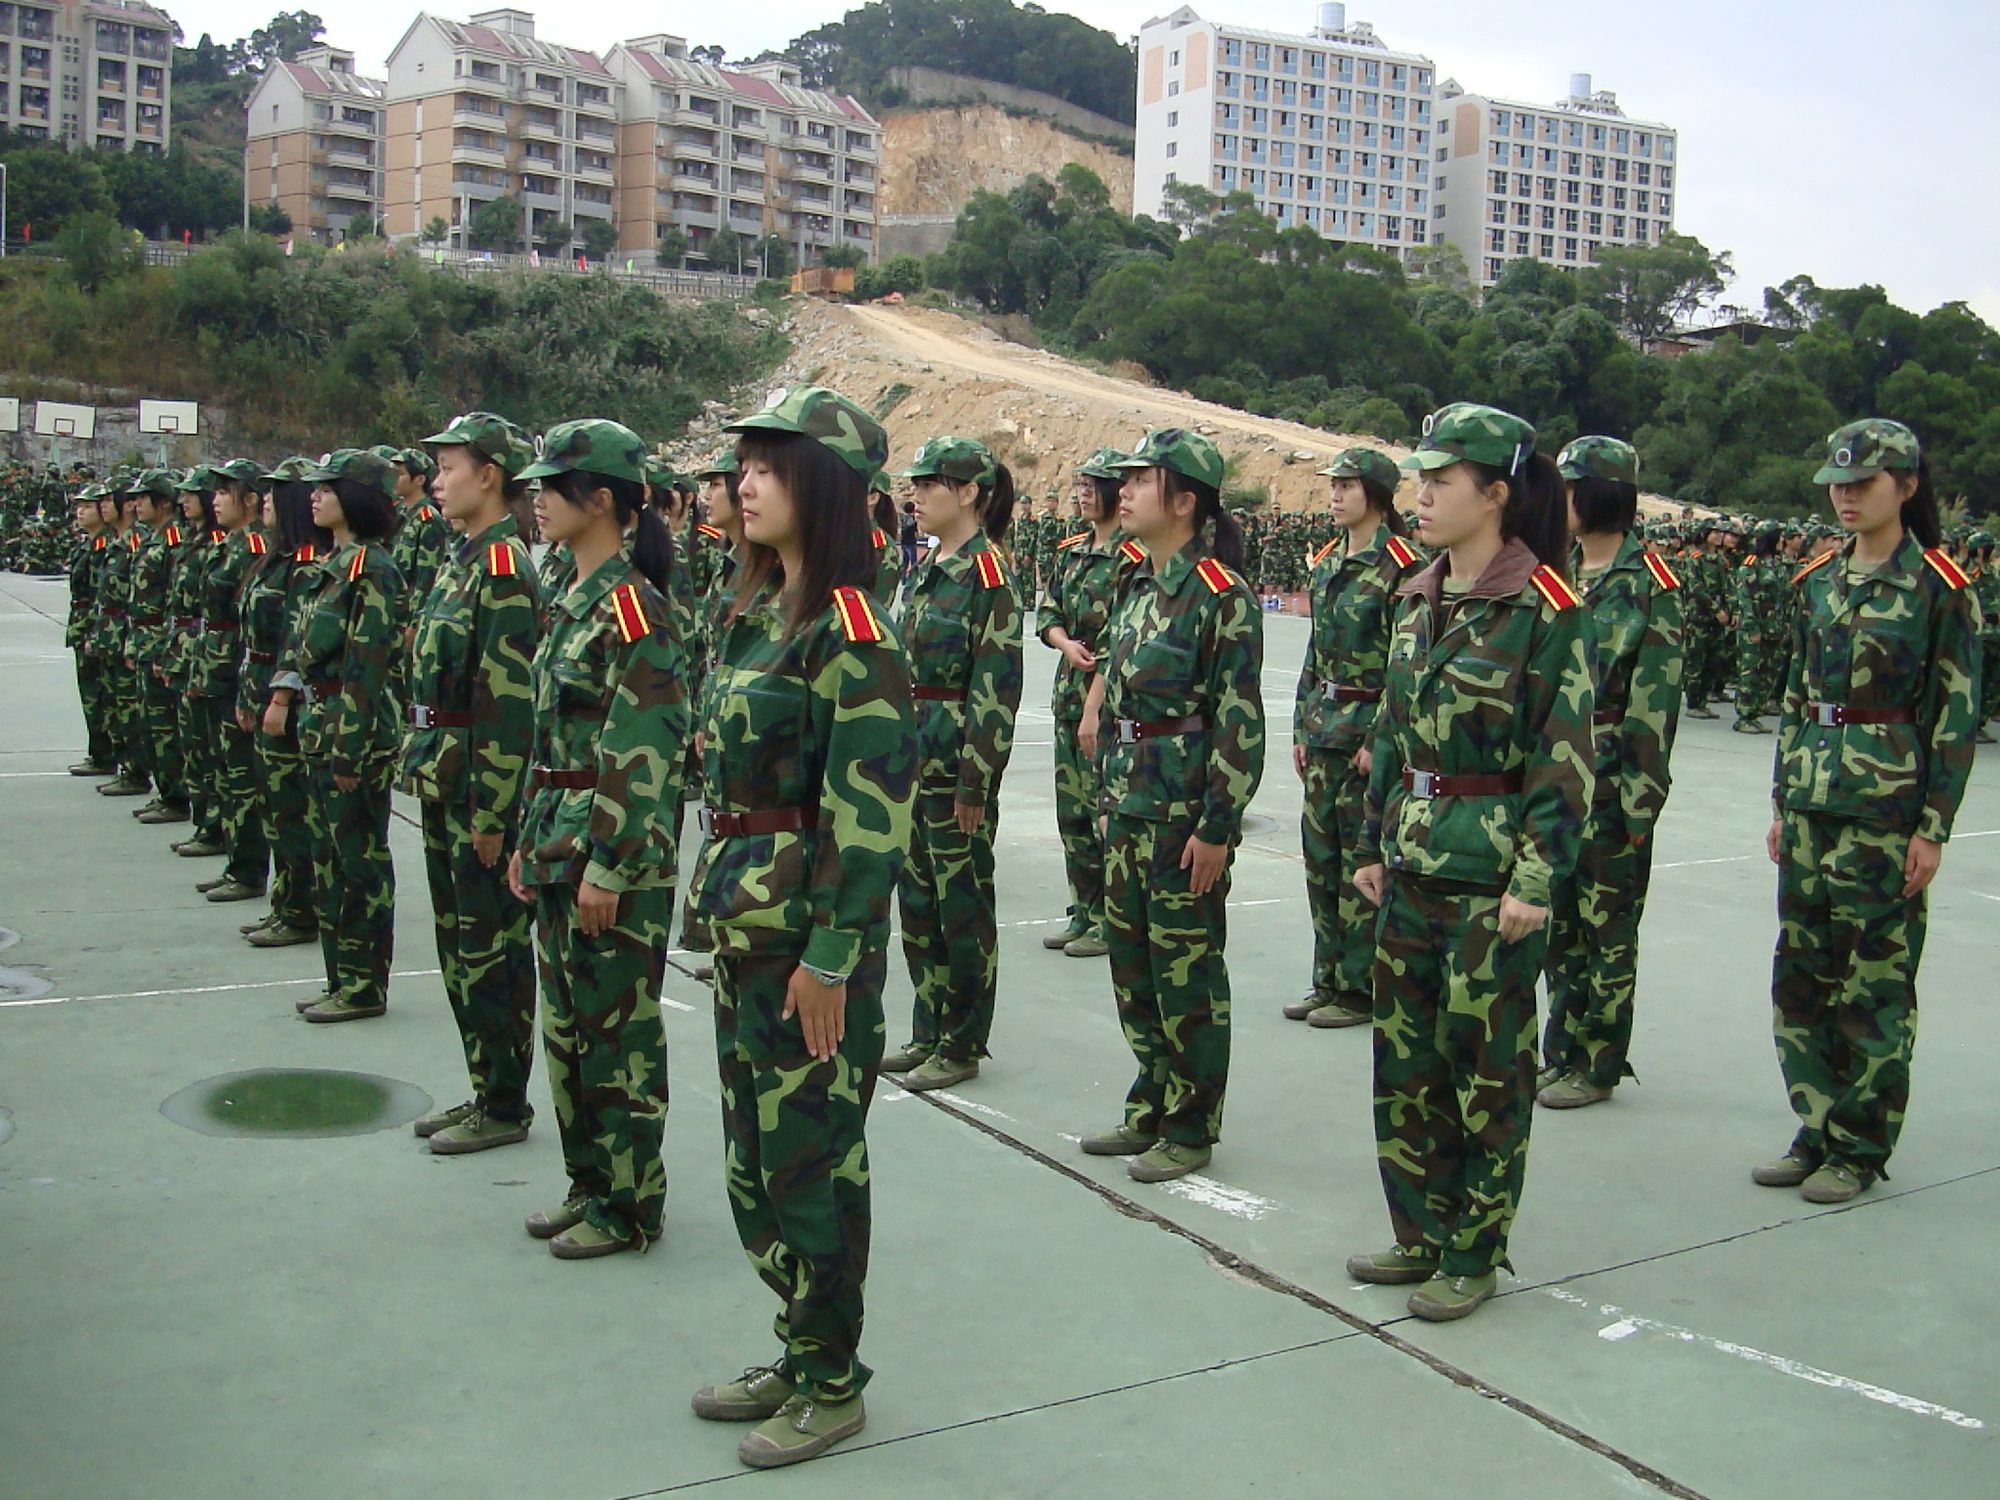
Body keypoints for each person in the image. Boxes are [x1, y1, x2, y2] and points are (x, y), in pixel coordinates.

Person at [689, 386, 915, 1470]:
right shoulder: (752, 613)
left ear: (820, 490)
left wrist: (831, 958)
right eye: (743, 465)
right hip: (744, 931)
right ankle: (797, 1345)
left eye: (769, 469)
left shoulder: (851, 634)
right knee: (752, 1167)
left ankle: (831, 1380)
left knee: (811, 1169)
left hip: (805, 951)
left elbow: (869, 820)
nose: (744, 485)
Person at [1347, 403, 1595, 1322]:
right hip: (1410, 863)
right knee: (1405, 1064)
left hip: (1490, 880)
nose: (1421, 496)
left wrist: (1534, 880)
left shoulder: (1546, 609)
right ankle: (1420, 1231)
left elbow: (1564, 757)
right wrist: (1372, 842)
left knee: (1487, 1073)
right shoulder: (1416, 595)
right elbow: (1390, 728)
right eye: (1419, 480)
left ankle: (1475, 1249)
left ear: (1494, 494)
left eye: (1440, 481)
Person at [1755, 420, 1981, 1204]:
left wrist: (1933, 827)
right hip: (1813, 804)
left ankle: (1859, 1144)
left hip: (1885, 812)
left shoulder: (1940, 587)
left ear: (1907, 487)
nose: (1846, 498)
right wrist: (1783, 800)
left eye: (1863, 484)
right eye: (1838, 486)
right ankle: (1814, 1125)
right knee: (1803, 975)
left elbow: (1955, 715)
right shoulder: (1819, 578)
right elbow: (1796, 696)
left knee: (1875, 982)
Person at [508, 420, 689, 1258]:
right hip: (558, 837)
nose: (538, 499)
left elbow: (645, 748)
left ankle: (631, 1203)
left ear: (603, 500)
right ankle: (589, 1183)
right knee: (567, 1028)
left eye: (554, 486)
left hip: (609, 851)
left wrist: (610, 866)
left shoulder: (633, 608)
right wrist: (526, 836)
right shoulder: (571, 595)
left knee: (617, 1034)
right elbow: (547, 737)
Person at [1077, 429, 1266, 1184]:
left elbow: (1237, 723)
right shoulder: (1134, 583)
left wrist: (1218, 827)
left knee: (1186, 976)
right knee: (1133, 969)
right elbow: (1118, 706)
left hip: (1182, 821)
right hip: (1128, 809)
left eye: (1141, 480)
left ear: (1185, 502)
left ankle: (1190, 1124)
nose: (1122, 491)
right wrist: (1105, 799)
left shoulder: (1221, 596)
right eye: (1122, 480)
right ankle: (1149, 1103)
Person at [406, 413, 545, 1155]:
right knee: (459, 947)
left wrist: (494, 811)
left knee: (491, 950)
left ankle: (504, 1101)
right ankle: (484, 1085)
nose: (438, 479)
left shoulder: (502, 568)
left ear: (488, 475)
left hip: (477, 790)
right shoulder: (463, 557)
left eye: (449, 466)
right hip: (445, 776)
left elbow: (507, 703)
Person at [1539, 437, 1682, 1108]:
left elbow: (1654, 707)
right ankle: (1560, 1050)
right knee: (1557, 926)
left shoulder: (1649, 585)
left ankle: (1597, 1062)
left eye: (1573, 488)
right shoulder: (1557, 571)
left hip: (1611, 784)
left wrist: (1637, 805)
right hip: (1556, 781)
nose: (1562, 500)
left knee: (1607, 929)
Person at [882, 437, 1023, 1093]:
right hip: (913, 759)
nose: (915, 496)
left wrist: (975, 782)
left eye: (928, 484)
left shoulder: (987, 577)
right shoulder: (928, 568)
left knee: (961, 909)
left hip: (953, 765)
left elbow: (995, 687)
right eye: (913, 485)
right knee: (918, 905)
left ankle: (962, 1041)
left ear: (968, 493)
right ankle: (928, 1028)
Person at [268, 450, 407, 1023]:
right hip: (320, 727)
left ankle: (364, 984)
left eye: (327, 489)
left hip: (353, 735)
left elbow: (366, 667)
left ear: (356, 498)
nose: (314, 497)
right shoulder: (334, 566)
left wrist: (349, 749)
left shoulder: (372, 570)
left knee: (358, 864)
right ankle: (341, 977)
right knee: (329, 861)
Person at [1288, 447, 1422, 1028]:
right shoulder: (1328, 561)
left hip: (1366, 733)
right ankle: (1327, 977)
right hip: (1324, 730)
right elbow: (1316, 652)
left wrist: (1380, 739)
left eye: (1347, 486)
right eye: (1333, 485)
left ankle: (1359, 987)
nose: (1335, 495)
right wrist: (1301, 725)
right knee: (1320, 860)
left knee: (1360, 863)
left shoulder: (1403, 567)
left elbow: (1404, 665)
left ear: (1377, 494)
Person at [1035, 449, 1130, 959]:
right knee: (1071, 813)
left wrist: (1095, 709)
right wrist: (1064, 643)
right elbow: (1047, 610)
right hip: (1067, 694)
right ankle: (1084, 911)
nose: (1084, 494)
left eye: (1094, 486)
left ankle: (1111, 919)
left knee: (1102, 813)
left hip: (1106, 702)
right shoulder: (1071, 550)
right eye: (1081, 485)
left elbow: (1119, 639)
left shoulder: (1131, 557)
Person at [239, 461, 326, 950]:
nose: (266, 502)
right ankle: (284, 902)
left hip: (285, 700)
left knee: (291, 810)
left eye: (275, 494)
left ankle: (300, 910)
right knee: (273, 808)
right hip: (258, 686)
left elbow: (297, 638)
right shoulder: (276, 558)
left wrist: (280, 698)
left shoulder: (306, 564)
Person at [189, 460, 275, 903]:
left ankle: (248, 868)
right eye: (216, 492)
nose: (216, 500)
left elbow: (251, 623)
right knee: (222, 769)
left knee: (242, 776)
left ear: (251, 500)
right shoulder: (228, 543)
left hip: (234, 670)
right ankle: (233, 858)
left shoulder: (254, 547)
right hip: (215, 666)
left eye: (226, 493)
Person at [127, 470, 190, 826]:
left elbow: (173, 599)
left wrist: (166, 648)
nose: (136, 504)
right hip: (144, 640)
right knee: (150, 723)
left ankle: (177, 796)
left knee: (166, 726)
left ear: (163, 502)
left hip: (159, 640)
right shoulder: (152, 539)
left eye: (143, 498)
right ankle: (166, 791)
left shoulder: (174, 540)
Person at [65, 480, 117, 777]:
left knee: (99, 694)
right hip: (82, 623)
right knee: (90, 694)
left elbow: (102, 594)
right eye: (79, 507)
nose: (81, 512)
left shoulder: (106, 545)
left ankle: (105, 753)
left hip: (95, 625)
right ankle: (98, 751)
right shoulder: (88, 544)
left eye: (87, 507)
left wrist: (94, 631)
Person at [898, 499, 919, 574]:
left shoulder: (902, 518)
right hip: (911, 542)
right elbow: (915, 531)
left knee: (905, 562)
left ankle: (902, 577)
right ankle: (913, 576)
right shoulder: (913, 519)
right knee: (913, 561)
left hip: (904, 541)